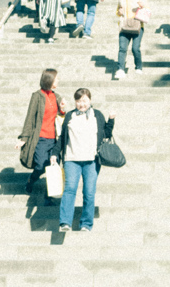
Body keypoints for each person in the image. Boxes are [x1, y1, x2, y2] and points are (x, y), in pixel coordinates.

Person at [51, 88, 116, 233]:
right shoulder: (70, 116)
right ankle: (65, 223)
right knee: (70, 190)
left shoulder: (97, 115)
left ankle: (86, 224)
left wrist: (111, 120)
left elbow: (106, 133)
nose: (82, 104)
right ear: (75, 102)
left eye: (84, 101)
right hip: (72, 159)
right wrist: (55, 153)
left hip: (91, 160)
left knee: (89, 192)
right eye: (79, 101)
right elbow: (62, 138)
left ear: (90, 101)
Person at [17, 68, 66, 194]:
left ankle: (49, 197)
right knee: (41, 165)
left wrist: (62, 109)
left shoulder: (56, 96)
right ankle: (31, 180)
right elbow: (30, 117)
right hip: (41, 138)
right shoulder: (37, 96)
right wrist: (24, 139)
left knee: (53, 166)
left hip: (54, 139)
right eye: (57, 78)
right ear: (49, 80)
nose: (58, 80)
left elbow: (61, 115)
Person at [114, 0, 148, 78]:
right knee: (122, 48)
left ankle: (138, 67)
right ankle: (120, 69)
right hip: (125, 26)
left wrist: (143, 6)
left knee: (135, 48)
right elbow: (117, 11)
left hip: (137, 25)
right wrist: (119, 12)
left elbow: (148, 10)